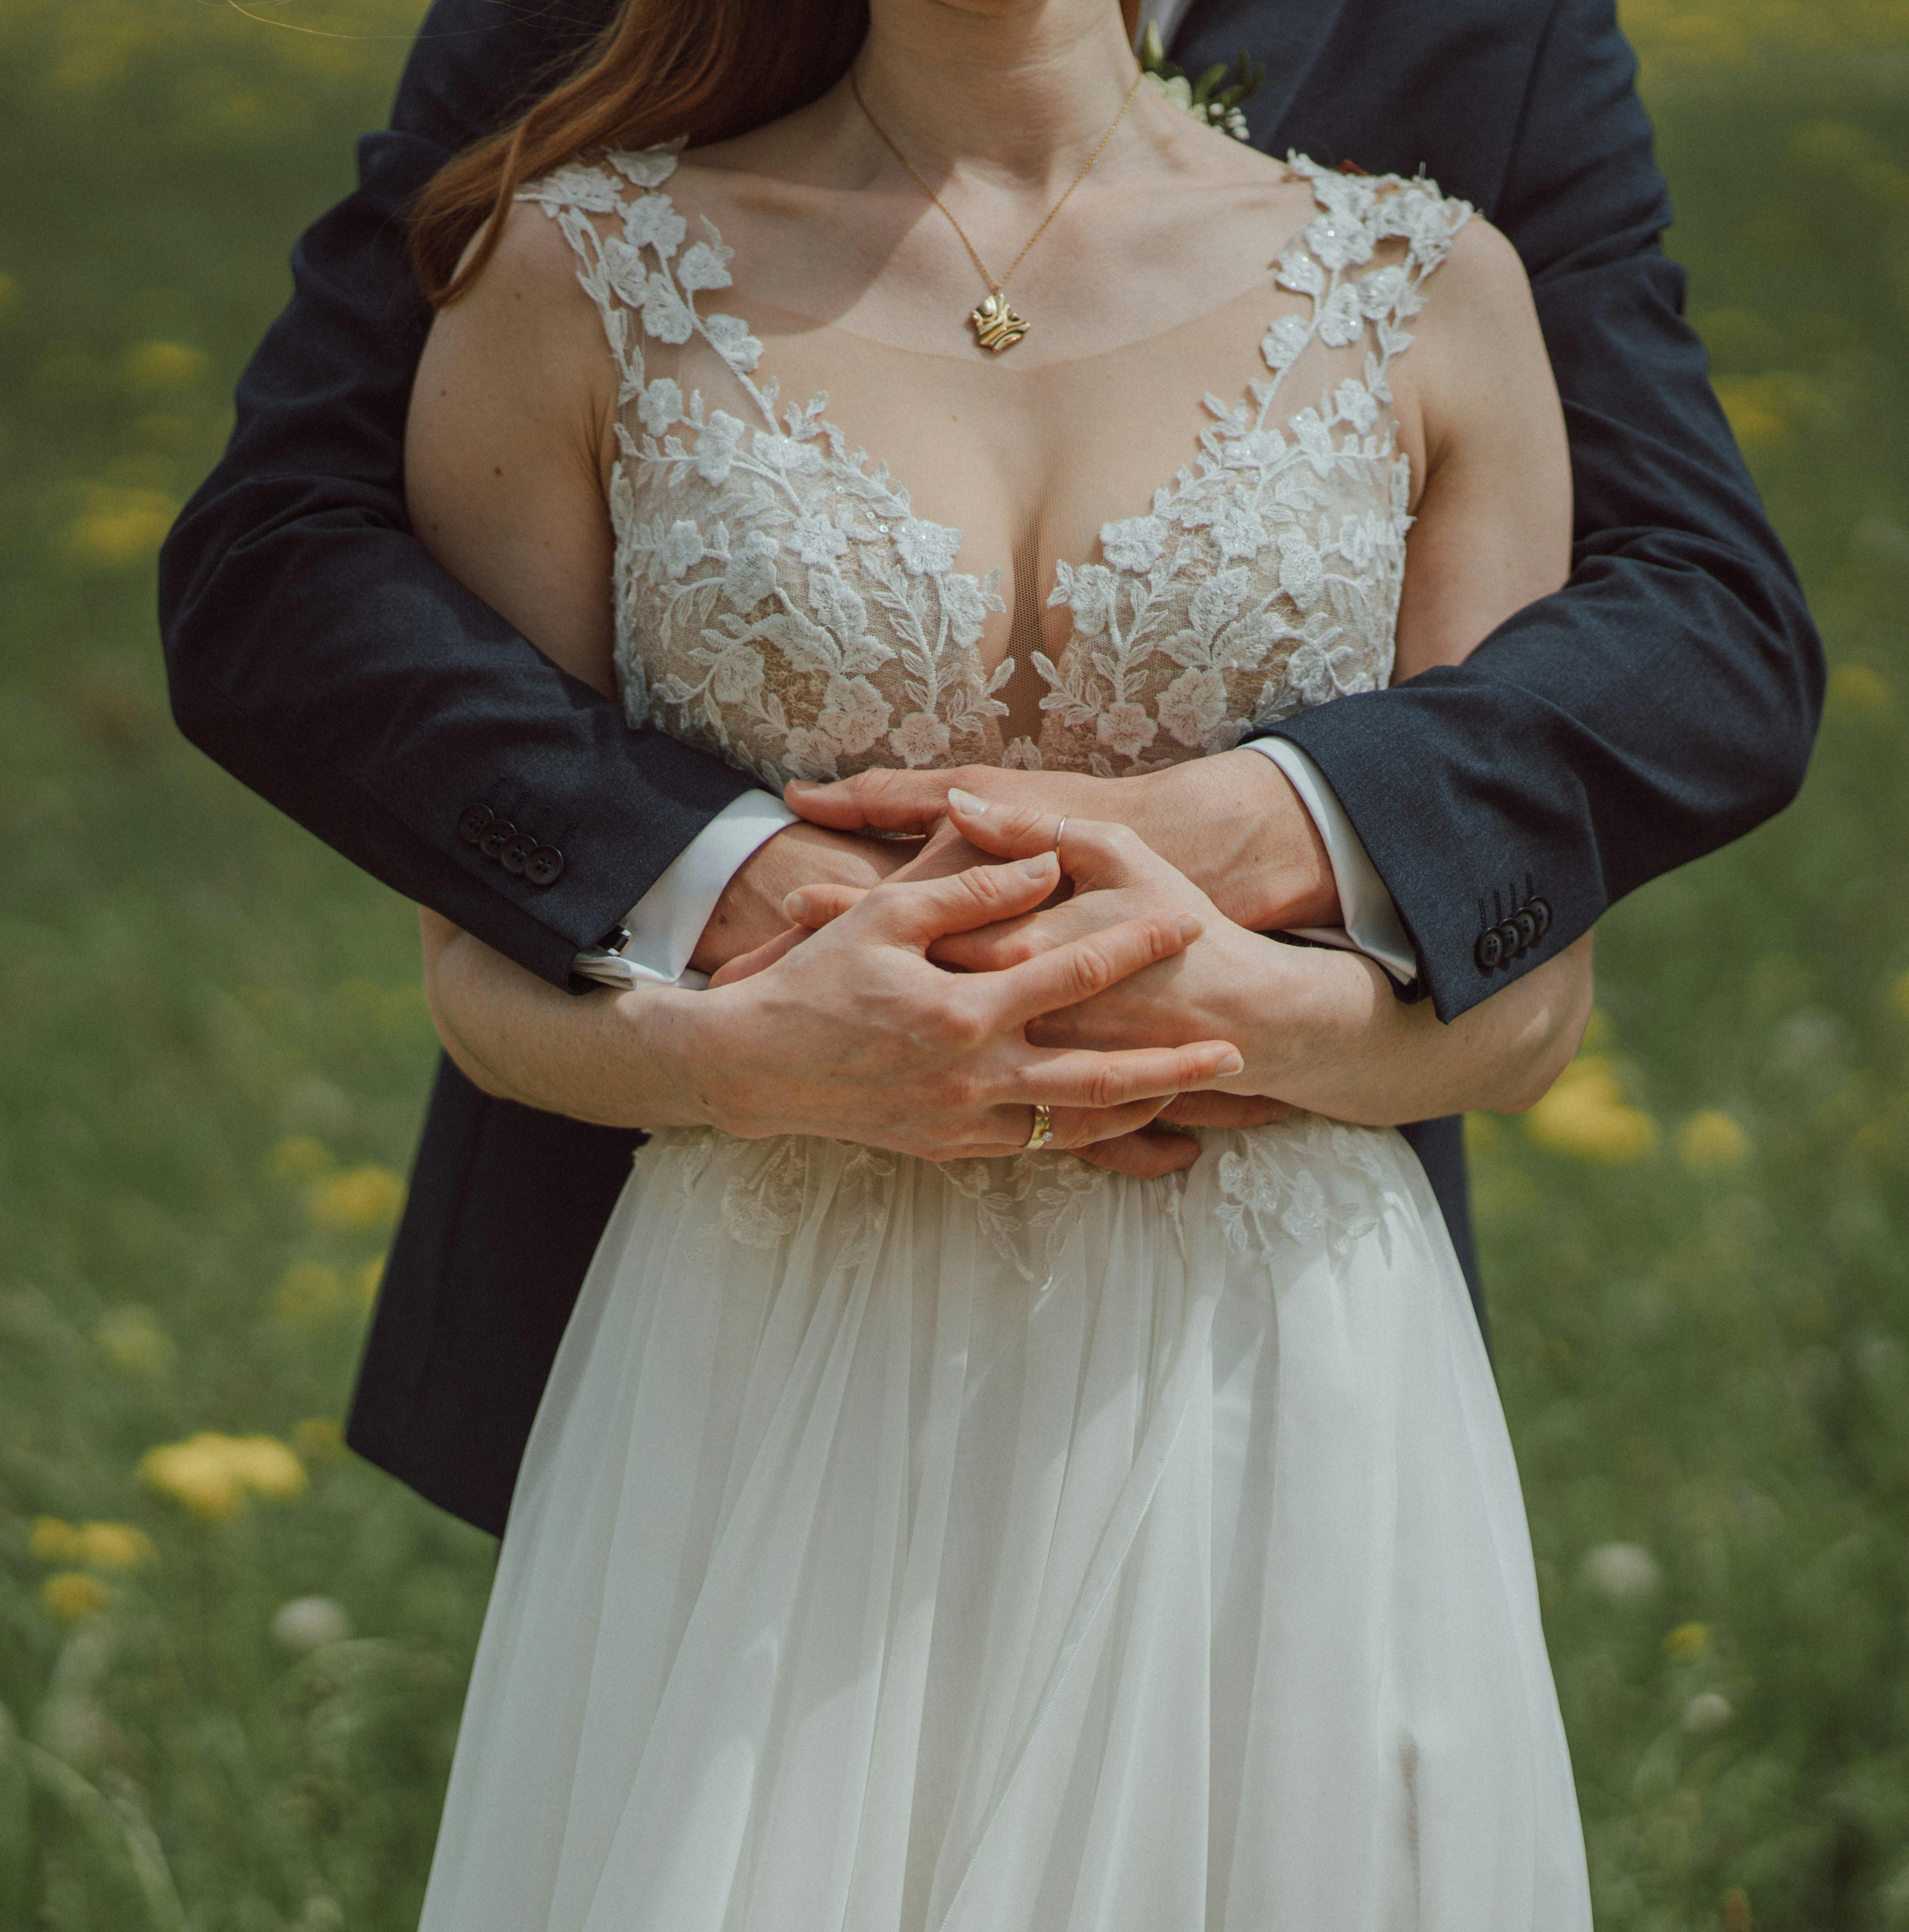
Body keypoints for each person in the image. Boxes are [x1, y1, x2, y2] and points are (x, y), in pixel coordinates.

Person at [158, 0, 1819, 1549]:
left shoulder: (1444, 214)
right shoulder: (579, 247)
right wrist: (729, 887)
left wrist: (1263, 839)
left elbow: (1701, 613)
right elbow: (287, 557)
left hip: (1270, 1335)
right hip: (736, 1305)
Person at [367, 0, 1621, 1904]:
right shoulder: (570, 275)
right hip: (766, 1342)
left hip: (1278, 1369)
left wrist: (1238, 1021)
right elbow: (481, 974)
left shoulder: (1433, 289)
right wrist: (745, 1058)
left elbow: (1524, 998)